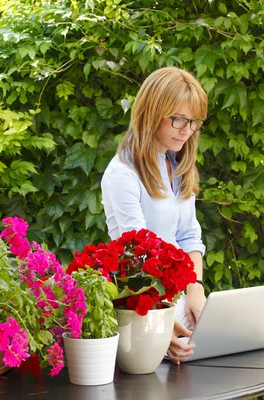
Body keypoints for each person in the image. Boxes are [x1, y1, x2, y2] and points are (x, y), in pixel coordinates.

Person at [101, 66, 208, 364]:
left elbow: (189, 237)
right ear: (151, 113)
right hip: (146, 307)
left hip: (184, 297)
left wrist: (196, 290)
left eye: (194, 122)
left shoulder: (177, 165)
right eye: (179, 120)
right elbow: (135, 257)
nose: (187, 130)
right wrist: (163, 325)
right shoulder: (122, 174)